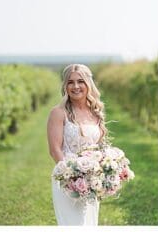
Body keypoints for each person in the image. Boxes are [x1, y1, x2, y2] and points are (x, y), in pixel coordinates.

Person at [47, 64, 106, 225]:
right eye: (70, 82)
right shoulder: (58, 113)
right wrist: (73, 177)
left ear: (88, 84)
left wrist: (102, 171)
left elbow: (99, 148)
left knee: (89, 223)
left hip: (92, 180)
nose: (76, 86)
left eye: (81, 81)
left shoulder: (96, 112)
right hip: (67, 179)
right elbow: (54, 150)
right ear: (65, 86)